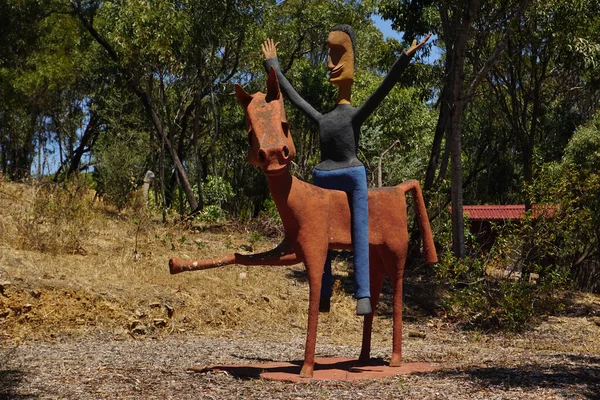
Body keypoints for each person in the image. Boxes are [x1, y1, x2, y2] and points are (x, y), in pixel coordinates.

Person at [262, 25, 430, 315]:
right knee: (321, 236)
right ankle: (326, 291)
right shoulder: (324, 118)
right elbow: (292, 97)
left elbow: (383, 88)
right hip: (325, 175)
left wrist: (404, 58)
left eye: (338, 56)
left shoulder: (352, 116)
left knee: (360, 230)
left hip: (349, 174)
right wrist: (272, 65)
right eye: (329, 56)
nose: (330, 64)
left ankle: (362, 293)